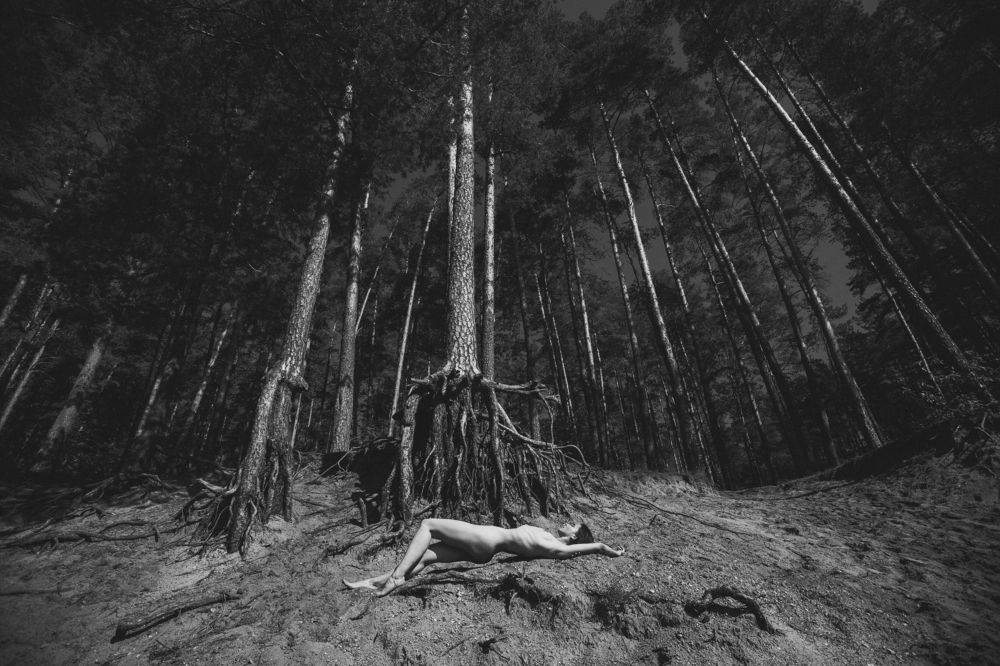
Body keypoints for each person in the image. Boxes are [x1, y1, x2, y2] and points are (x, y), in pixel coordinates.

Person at [343, 518, 625, 596]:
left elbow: (597, 546)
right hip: (485, 550)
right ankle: (374, 582)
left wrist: (612, 551)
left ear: (574, 538)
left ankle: (396, 577)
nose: (568, 523)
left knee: (428, 524)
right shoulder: (550, 541)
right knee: (427, 556)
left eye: (573, 525)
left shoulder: (558, 549)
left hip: (486, 539)